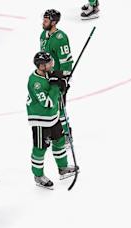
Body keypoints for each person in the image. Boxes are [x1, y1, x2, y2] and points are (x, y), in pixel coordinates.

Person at [27, 52, 78, 189]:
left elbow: (57, 92)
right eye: (49, 63)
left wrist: (63, 85)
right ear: (41, 66)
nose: (52, 64)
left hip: (53, 117)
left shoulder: (48, 74)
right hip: (40, 119)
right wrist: (56, 86)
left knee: (60, 141)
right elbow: (48, 102)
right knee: (40, 148)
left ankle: (63, 168)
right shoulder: (35, 82)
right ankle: (38, 176)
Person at [39, 9, 73, 140]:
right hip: (46, 78)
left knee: (59, 108)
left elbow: (67, 62)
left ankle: (66, 135)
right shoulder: (43, 35)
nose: (43, 22)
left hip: (57, 79)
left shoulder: (60, 38)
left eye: (46, 20)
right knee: (48, 108)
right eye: (43, 19)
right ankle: (52, 134)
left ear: (53, 22)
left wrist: (63, 79)